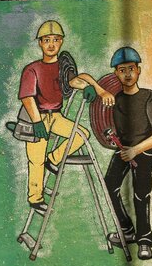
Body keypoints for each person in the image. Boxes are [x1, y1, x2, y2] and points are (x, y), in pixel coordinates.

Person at [19, 20, 115, 212]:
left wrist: (94, 88)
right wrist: (37, 122)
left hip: (55, 116)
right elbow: (27, 97)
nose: (51, 44)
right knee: (36, 159)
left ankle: (54, 159)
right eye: (46, 40)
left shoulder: (62, 67)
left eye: (55, 39)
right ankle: (35, 198)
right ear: (40, 43)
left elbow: (76, 79)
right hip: (33, 117)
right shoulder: (32, 69)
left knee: (81, 134)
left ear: (61, 42)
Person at [104, 47, 152, 260]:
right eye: (122, 70)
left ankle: (144, 240)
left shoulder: (151, 97)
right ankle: (127, 230)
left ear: (138, 70)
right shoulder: (117, 100)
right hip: (124, 150)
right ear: (116, 74)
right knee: (109, 187)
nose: (127, 74)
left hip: (144, 152)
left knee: (141, 196)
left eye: (131, 69)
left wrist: (135, 150)